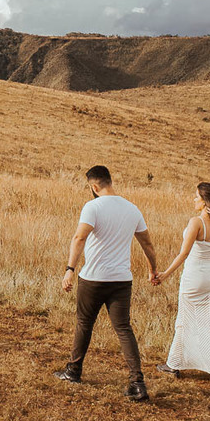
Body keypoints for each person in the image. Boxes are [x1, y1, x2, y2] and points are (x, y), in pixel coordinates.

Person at [55, 165, 159, 402]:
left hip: (93, 278)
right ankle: (137, 382)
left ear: (93, 186)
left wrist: (70, 269)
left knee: (84, 323)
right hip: (121, 280)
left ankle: (74, 371)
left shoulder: (93, 207)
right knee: (123, 329)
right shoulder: (132, 209)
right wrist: (152, 269)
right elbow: (148, 244)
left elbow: (79, 237)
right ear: (110, 181)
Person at [152, 182, 210, 392]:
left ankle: (174, 365)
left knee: (184, 319)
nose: (194, 200)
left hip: (195, 277)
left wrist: (165, 274)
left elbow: (184, 253)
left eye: (196, 197)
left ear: (205, 201)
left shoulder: (197, 222)